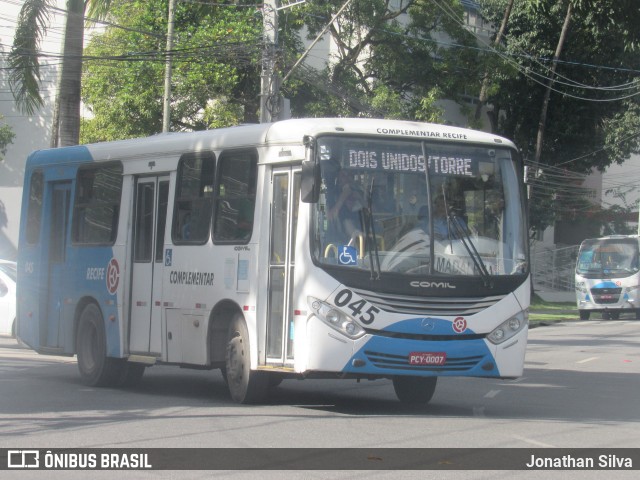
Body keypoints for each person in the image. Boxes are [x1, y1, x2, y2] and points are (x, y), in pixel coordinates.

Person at [327, 169, 364, 239]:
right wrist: (343, 196)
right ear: (338, 179)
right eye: (343, 176)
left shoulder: (359, 191)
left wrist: (360, 198)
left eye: (349, 175)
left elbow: (373, 211)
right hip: (343, 236)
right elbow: (329, 217)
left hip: (365, 228)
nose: (347, 178)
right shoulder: (333, 194)